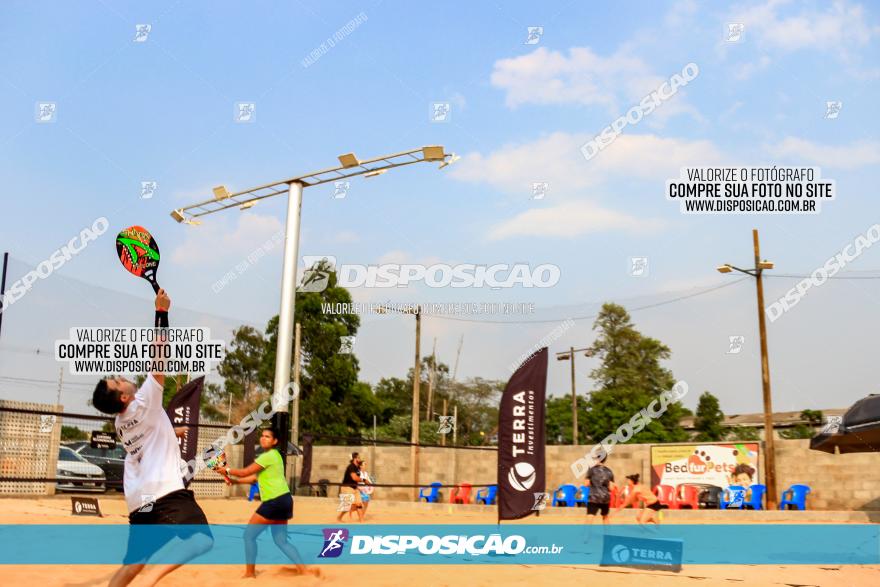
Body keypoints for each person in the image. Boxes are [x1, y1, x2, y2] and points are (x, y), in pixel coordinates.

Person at [91, 289, 213, 587]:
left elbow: (152, 433)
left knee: (134, 562)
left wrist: (173, 431)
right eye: (118, 380)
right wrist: (161, 312)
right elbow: (160, 352)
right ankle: (151, 582)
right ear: (124, 395)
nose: (122, 376)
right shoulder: (145, 400)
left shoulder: (122, 421)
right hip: (163, 492)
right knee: (201, 540)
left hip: (139, 500)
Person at [220, 428, 316, 579]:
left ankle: (250, 574)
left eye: (267, 437)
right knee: (281, 541)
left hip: (275, 501)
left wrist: (227, 469)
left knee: (248, 536)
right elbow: (254, 479)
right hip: (285, 500)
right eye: (262, 436)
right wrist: (234, 480)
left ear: (275, 441)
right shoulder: (275, 456)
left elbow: (245, 472)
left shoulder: (268, 456)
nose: (263, 439)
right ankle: (304, 571)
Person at [584, 453, 616, 524]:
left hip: (594, 497)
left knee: (590, 516)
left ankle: (586, 534)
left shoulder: (591, 470)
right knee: (605, 516)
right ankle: (607, 534)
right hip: (605, 498)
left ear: (598, 459)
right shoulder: (609, 471)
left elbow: (586, 484)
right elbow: (612, 488)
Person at [337, 452, 364, 522]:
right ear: (355, 458)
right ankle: (339, 517)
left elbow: (358, 477)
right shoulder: (351, 466)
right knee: (347, 506)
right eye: (359, 457)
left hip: (354, 487)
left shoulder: (357, 467)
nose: (360, 459)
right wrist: (363, 480)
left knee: (359, 504)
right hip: (347, 487)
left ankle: (362, 521)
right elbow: (354, 478)